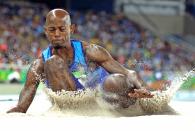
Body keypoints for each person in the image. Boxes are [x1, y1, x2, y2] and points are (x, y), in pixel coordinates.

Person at [7, 9, 153, 113]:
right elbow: (28, 89)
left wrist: (142, 88)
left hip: (103, 98)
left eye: (62, 29)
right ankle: (73, 113)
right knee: (53, 63)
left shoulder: (89, 51)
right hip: (75, 104)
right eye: (52, 29)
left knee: (116, 81)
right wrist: (19, 109)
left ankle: (138, 103)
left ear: (71, 29)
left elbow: (129, 73)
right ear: (46, 31)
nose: (57, 34)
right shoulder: (40, 63)